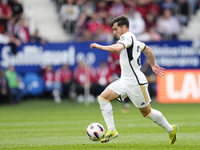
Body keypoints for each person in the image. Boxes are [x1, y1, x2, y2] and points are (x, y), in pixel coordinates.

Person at [90, 15, 178, 144]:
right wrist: (153, 65)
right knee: (103, 98)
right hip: (124, 81)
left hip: (136, 83)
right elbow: (148, 50)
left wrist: (100, 46)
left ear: (124, 27)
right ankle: (112, 130)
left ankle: (171, 130)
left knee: (147, 113)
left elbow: (118, 48)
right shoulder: (133, 40)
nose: (114, 32)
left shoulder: (127, 37)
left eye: (115, 29)